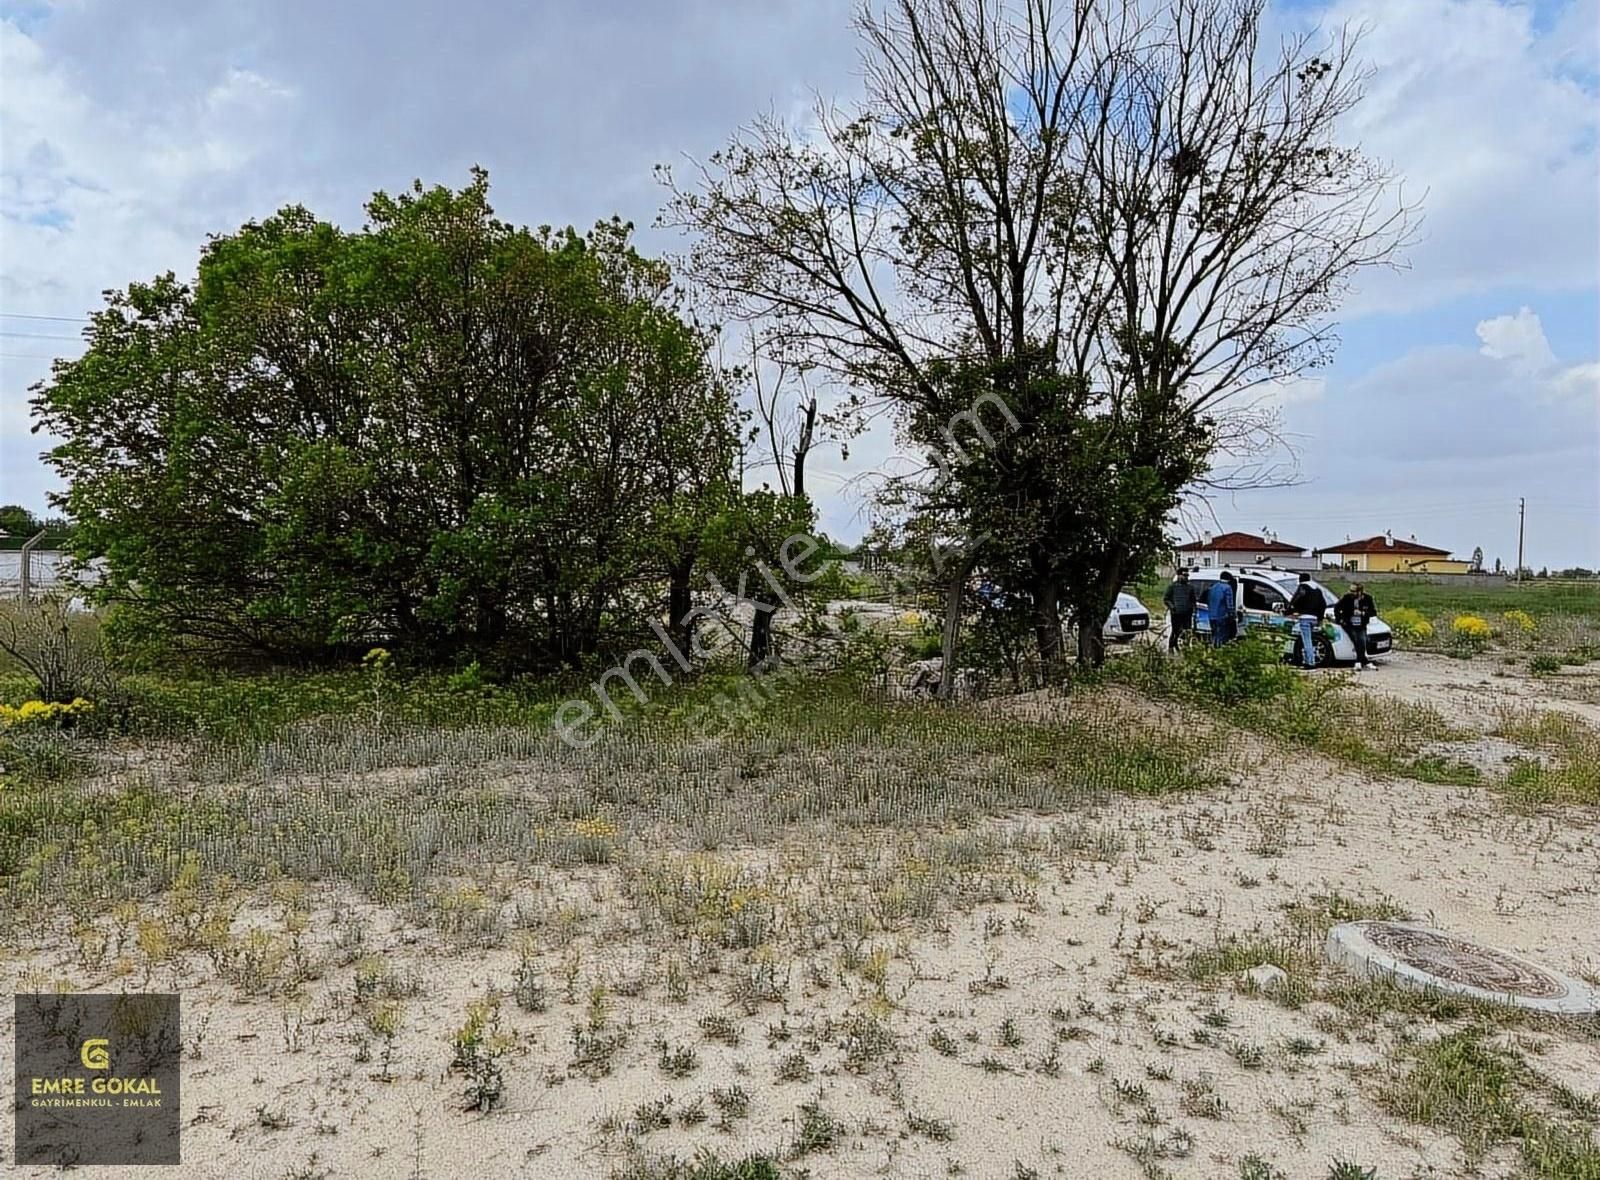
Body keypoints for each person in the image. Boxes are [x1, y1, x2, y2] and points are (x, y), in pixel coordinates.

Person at [1286, 571, 1327, 669]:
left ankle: (1310, 662)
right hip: (1315, 618)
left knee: (1307, 640)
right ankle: (1308, 658)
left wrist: (1289, 610)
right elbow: (1323, 604)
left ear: (1300, 580)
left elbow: (1296, 599)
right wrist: (1320, 617)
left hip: (1305, 617)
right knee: (1311, 640)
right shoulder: (1317, 589)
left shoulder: (1303, 587)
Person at [1335, 582, 1378, 670]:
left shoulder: (1367, 598)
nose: (1351, 592)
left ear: (1359, 592)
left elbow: (1373, 612)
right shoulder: (1347, 598)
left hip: (1361, 623)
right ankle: (1362, 661)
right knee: (1355, 639)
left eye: (1353, 591)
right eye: (1350, 590)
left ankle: (1361, 661)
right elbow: (1337, 608)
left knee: (1362, 640)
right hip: (1349, 623)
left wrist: (1362, 613)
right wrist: (1340, 619)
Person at [1163, 568, 1198, 652]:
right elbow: (1166, 599)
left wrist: (1194, 611)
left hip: (1187, 614)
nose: (1186, 577)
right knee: (1175, 631)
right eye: (1184, 575)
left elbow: (1193, 600)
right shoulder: (1172, 587)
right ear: (1179, 575)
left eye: (1187, 575)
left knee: (1186, 632)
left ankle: (1184, 648)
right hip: (1176, 613)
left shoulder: (1190, 587)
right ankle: (1171, 647)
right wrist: (1172, 607)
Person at [1206, 572, 1238, 646]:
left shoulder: (1213, 587)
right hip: (1222, 616)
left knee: (1214, 634)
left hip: (1211, 615)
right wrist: (1232, 614)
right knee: (1222, 635)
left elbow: (1208, 600)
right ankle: (1219, 650)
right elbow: (1229, 603)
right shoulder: (1227, 588)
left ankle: (1213, 648)